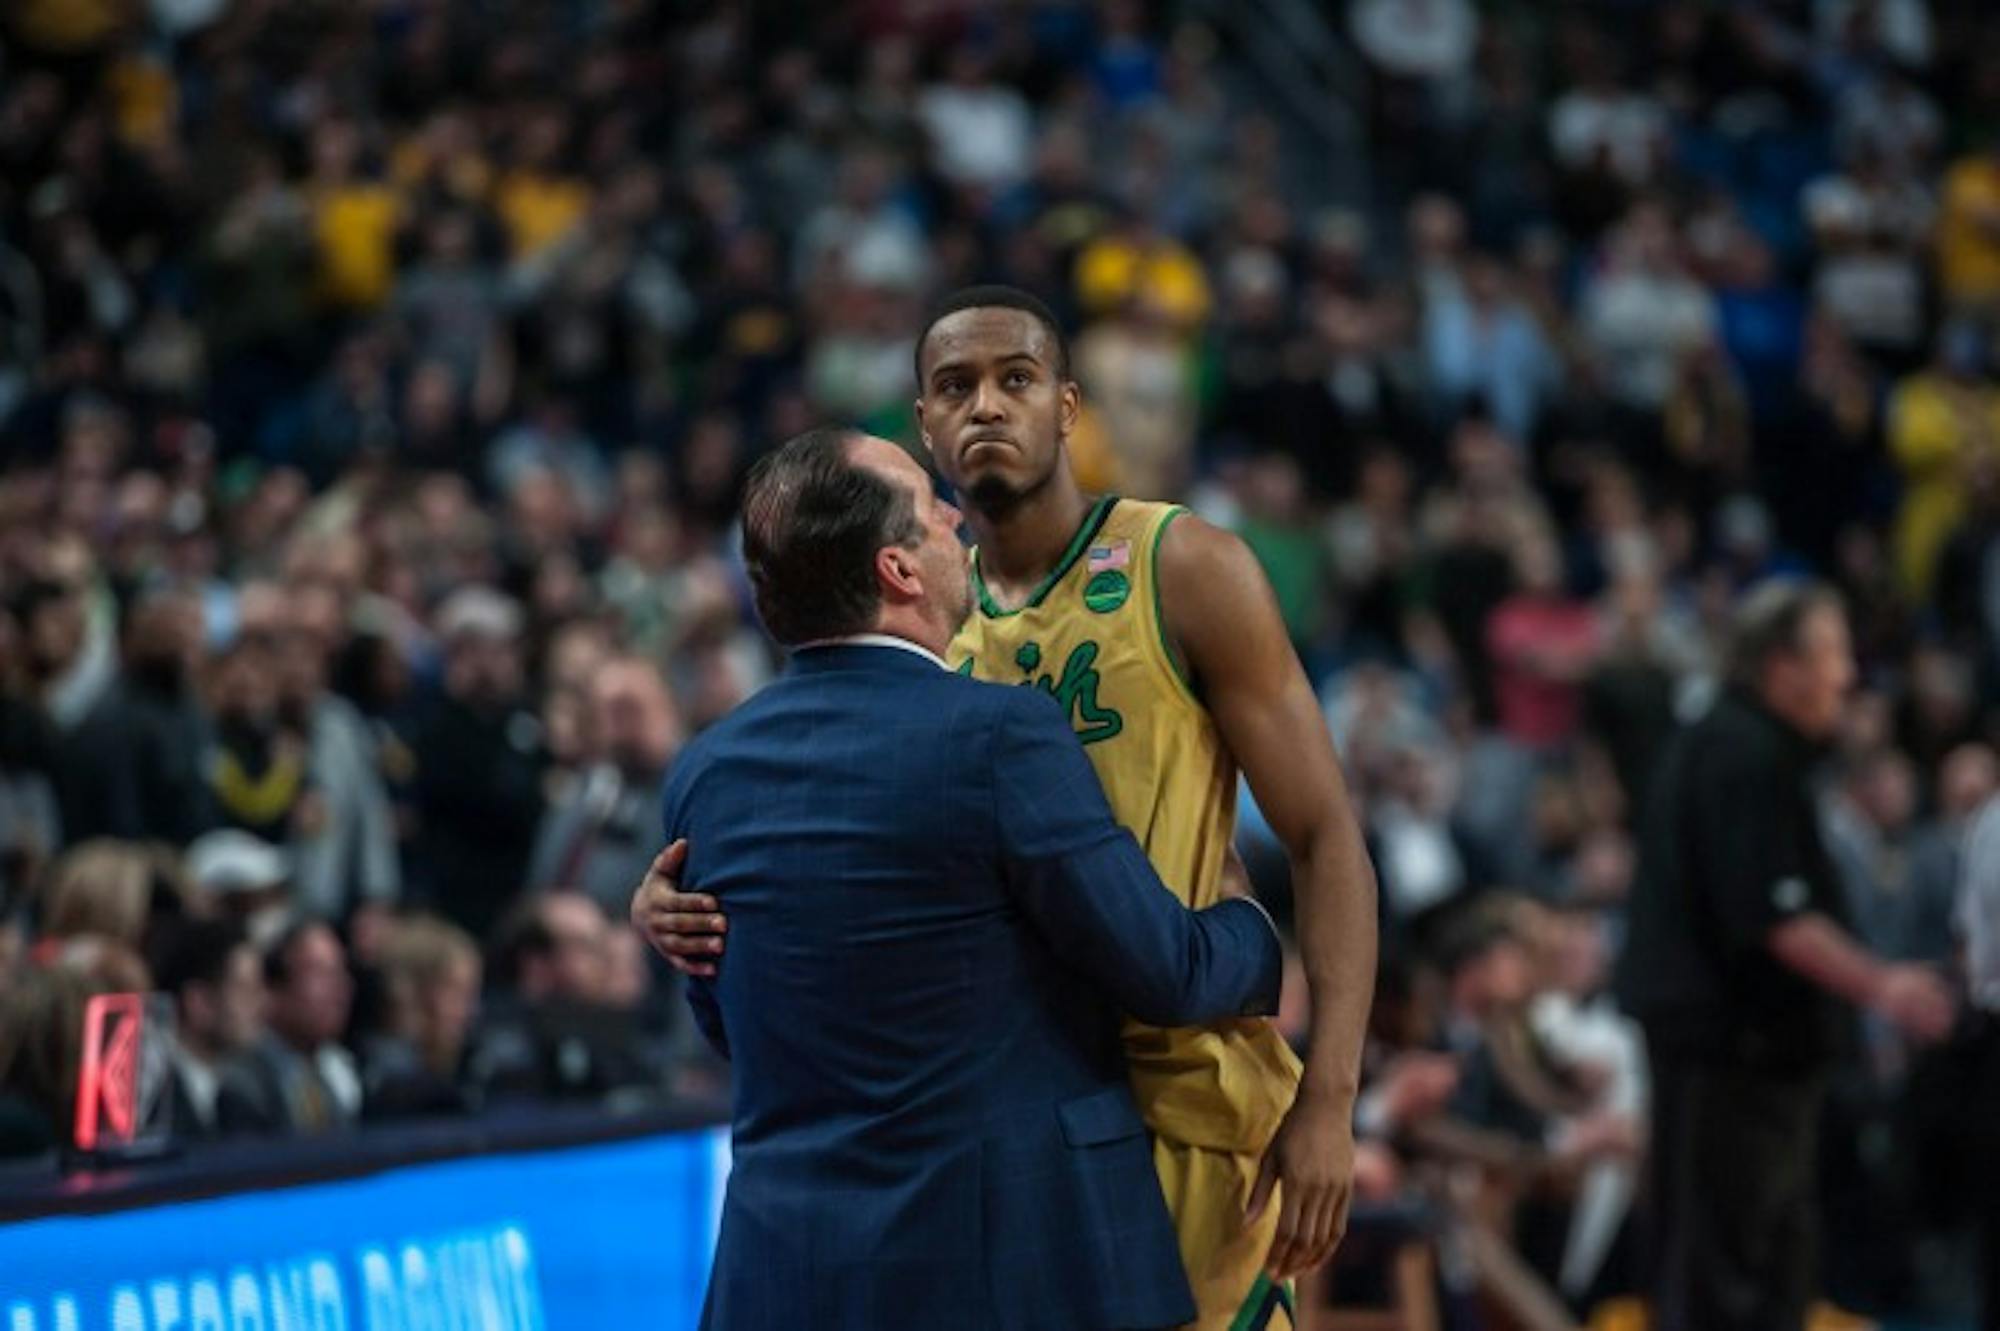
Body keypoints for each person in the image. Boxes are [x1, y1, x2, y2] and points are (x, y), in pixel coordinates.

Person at [640, 286, 1378, 1330]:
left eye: (1015, 378)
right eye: (955, 387)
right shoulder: (920, 625)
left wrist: (1333, 1098)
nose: (987, 405)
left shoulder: (1185, 566)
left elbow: (1324, 834)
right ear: (926, 428)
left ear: (1069, 407)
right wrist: (676, 906)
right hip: (1027, 1132)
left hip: (1189, 1087)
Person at [1616, 581, 1956, 1331]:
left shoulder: (1736, 744)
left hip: (1743, 1057)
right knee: (1730, 1274)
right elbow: (1776, 915)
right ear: (1781, 663)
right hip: (1733, 1055)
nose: (1846, 675)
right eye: (1832, 652)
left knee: (1760, 1263)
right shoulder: (1742, 752)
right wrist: (1886, 985)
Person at [216, 919, 362, 1136]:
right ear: (273, 991)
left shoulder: (336, 1076)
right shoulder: (244, 1087)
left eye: (341, 971)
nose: (340, 988)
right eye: (320, 973)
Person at [151, 918, 267, 1137]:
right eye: (244, 990)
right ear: (198, 1003)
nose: (261, 1003)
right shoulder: (152, 1108)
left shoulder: (239, 1105)